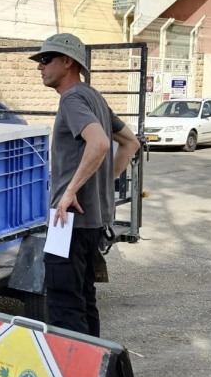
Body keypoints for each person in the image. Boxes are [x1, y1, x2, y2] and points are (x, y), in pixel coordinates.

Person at [30, 33, 140, 336]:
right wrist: (105, 181)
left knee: (64, 305)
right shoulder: (95, 98)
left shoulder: (72, 99)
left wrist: (70, 191)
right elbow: (130, 142)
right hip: (90, 224)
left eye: (45, 59)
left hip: (67, 222)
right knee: (84, 298)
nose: (40, 66)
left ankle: (73, 376)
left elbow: (101, 142)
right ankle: (94, 374)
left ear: (67, 61)